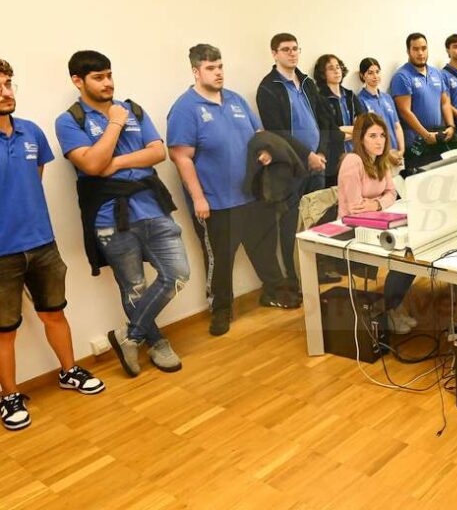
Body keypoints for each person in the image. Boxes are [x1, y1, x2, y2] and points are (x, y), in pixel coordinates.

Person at [56, 50, 186, 377]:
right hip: (109, 216)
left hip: (151, 207)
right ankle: (155, 341)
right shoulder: (70, 120)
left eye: (109, 75)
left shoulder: (134, 109)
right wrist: (115, 122)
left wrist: (115, 162)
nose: (108, 83)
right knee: (134, 286)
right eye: (98, 77)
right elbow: (90, 164)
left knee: (177, 274)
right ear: (77, 80)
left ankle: (130, 336)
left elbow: (157, 151)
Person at [0, 59, 104, 431]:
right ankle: (9, 396)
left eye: (9, 83)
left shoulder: (31, 133)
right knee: (4, 329)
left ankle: (69, 370)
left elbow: (34, 179)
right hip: (2, 254)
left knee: (54, 313)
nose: (6, 92)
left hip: (42, 243)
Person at [168, 44, 292, 337]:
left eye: (220, 66)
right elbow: (181, 157)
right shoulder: (185, 108)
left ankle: (272, 291)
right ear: (196, 72)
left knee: (263, 250)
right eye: (211, 68)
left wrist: (264, 152)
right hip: (216, 202)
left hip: (252, 194)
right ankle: (221, 309)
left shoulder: (235, 100)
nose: (218, 72)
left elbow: (258, 134)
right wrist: (198, 198)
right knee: (220, 261)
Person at [257, 33, 340, 288]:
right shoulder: (268, 88)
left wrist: (323, 153)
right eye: (285, 50)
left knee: (317, 221)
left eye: (295, 49)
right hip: (289, 169)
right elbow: (277, 132)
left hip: (317, 164)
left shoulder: (307, 82)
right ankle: (296, 277)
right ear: (274, 54)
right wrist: (308, 156)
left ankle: (317, 268)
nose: (292, 54)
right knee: (292, 224)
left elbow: (325, 120)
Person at [336, 112, 417, 332]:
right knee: (404, 257)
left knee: (413, 252)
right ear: (360, 139)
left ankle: (395, 306)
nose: (379, 140)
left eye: (382, 135)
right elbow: (355, 208)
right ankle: (392, 310)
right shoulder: (353, 161)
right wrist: (377, 204)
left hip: (376, 220)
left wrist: (377, 205)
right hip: (352, 229)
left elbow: (392, 193)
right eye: (372, 136)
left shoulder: (381, 161)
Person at [390, 33, 455, 172]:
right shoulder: (402, 76)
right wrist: (425, 135)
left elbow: (444, 102)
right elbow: (404, 111)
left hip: (437, 136)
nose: (420, 53)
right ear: (408, 51)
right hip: (416, 141)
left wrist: (451, 126)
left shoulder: (436, 73)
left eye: (424, 48)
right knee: (420, 184)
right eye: (415, 49)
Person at [313, 53, 364, 186]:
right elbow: (331, 133)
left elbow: (365, 125)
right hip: (335, 159)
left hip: (357, 154)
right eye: (331, 68)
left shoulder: (350, 95)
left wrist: (346, 130)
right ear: (322, 74)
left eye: (338, 67)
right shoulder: (320, 98)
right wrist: (356, 131)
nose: (336, 70)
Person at [356, 57, 404, 167]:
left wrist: (401, 151)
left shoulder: (387, 98)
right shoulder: (360, 100)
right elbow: (365, 134)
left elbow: (397, 126)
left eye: (377, 72)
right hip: (378, 158)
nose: (375, 76)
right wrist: (387, 154)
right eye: (370, 73)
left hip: (397, 155)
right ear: (363, 75)